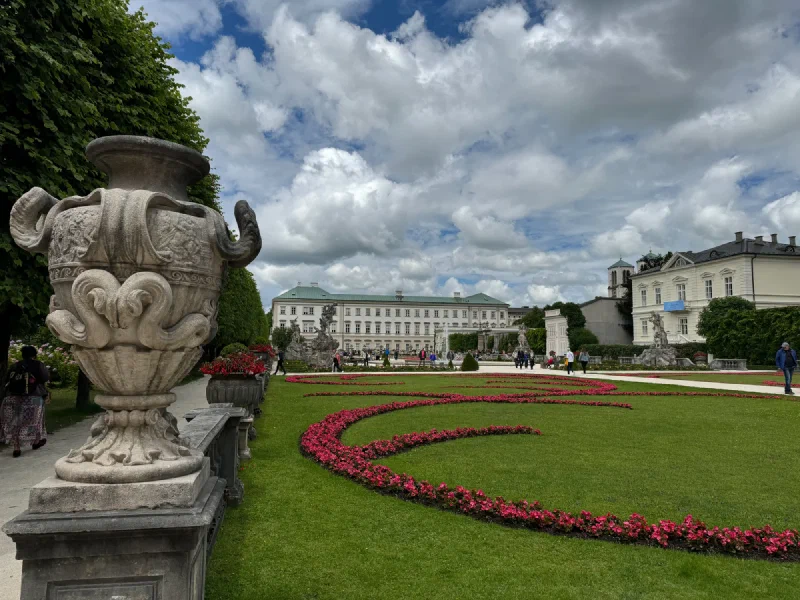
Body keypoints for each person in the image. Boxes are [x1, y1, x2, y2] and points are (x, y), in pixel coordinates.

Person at [2, 345, 50, 458]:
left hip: (13, 397)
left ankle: (16, 447)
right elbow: (45, 378)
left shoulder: (15, 365)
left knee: (15, 422)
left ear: (22, 354)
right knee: (36, 420)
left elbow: (7, 380)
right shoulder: (38, 364)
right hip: (33, 396)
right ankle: (35, 442)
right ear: (34, 354)